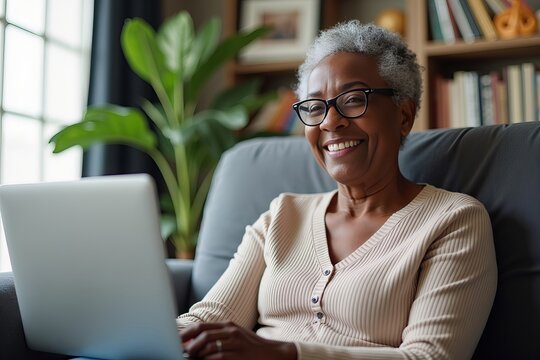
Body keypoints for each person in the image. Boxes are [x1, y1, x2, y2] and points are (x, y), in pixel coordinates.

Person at [177, 21, 497, 360]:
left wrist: (285, 354)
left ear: (403, 115)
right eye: (315, 107)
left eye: (354, 99)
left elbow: (430, 357)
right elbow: (208, 318)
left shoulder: (454, 220)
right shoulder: (282, 216)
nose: (330, 122)